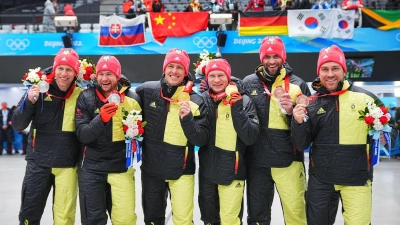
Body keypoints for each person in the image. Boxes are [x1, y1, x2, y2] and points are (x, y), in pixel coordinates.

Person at [291, 45, 399, 225]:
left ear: (344, 70)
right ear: (319, 72)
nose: (330, 74)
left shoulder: (366, 98)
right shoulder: (312, 103)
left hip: (357, 179)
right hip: (321, 182)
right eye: (325, 69)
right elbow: (301, 143)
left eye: (335, 68)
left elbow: (391, 126)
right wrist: (298, 122)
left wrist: (386, 137)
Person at [242, 36, 311, 225]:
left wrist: (291, 113)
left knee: (296, 214)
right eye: (267, 56)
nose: (271, 61)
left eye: (276, 56)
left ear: (283, 56)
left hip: (289, 161)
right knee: (257, 217)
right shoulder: (248, 83)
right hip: (257, 162)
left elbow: (308, 124)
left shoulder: (299, 84)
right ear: (261, 58)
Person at [135, 48, 209, 225]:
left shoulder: (196, 100)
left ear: (185, 72)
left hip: (181, 171)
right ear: (164, 68)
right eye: (171, 66)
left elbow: (201, 140)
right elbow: (125, 100)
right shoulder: (147, 90)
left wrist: (188, 119)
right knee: (152, 221)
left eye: (179, 67)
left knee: (183, 221)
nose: (174, 71)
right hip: (152, 171)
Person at [12, 48, 82, 225]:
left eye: (69, 69)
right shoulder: (37, 90)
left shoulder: (81, 95)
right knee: (29, 213)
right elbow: (18, 125)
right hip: (38, 163)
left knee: (64, 217)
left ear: (75, 73)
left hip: (67, 164)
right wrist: (29, 102)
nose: (64, 74)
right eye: (60, 68)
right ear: (54, 69)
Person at [75, 55, 141, 225]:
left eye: (109, 74)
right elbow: (83, 135)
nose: (104, 78)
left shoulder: (132, 99)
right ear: (96, 75)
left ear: (118, 76)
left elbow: (140, 134)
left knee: (125, 219)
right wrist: (101, 119)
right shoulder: (86, 97)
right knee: (93, 220)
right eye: (101, 73)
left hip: (121, 168)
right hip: (92, 169)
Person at [198, 59, 259, 225]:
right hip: (207, 172)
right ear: (206, 78)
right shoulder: (202, 99)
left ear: (228, 77)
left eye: (221, 75)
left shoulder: (244, 100)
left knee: (230, 220)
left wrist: (236, 107)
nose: (217, 80)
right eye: (212, 75)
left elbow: (250, 137)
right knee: (209, 219)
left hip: (234, 171)